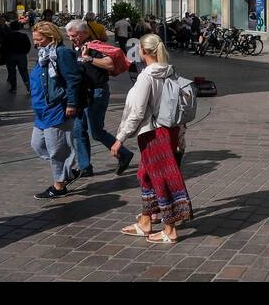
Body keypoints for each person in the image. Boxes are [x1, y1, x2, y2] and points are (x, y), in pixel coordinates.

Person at [111, 35, 192, 243]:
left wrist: (120, 138)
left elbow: (137, 112)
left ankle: (170, 229)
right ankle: (146, 222)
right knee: (145, 175)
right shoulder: (169, 71)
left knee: (162, 178)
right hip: (170, 129)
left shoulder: (147, 76)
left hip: (153, 133)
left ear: (142, 51)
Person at [67, 20, 134, 178]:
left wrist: (88, 59)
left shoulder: (94, 46)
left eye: (74, 35)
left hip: (97, 92)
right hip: (81, 94)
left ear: (84, 33)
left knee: (96, 132)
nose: (71, 39)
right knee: (78, 130)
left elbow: (109, 64)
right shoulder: (75, 46)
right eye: (69, 36)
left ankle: (124, 153)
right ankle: (85, 167)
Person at [28, 21, 83, 199]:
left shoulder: (61, 53)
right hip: (42, 109)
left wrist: (71, 104)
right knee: (37, 144)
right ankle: (67, 171)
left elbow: (73, 80)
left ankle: (59, 186)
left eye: (39, 39)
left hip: (56, 108)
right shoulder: (44, 53)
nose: (36, 43)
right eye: (34, 39)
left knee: (57, 149)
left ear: (51, 37)